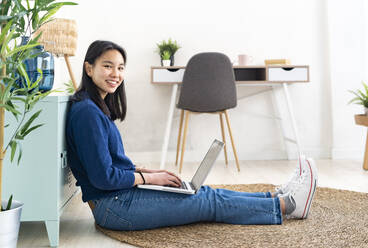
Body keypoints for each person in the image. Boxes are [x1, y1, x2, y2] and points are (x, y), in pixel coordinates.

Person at [66, 40, 318, 231]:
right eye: (107, 66)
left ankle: (275, 196)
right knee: (208, 203)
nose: (116, 74)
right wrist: (148, 178)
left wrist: (153, 175)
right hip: (114, 207)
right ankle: (288, 206)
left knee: (203, 192)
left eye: (120, 68)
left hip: (120, 198)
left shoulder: (95, 107)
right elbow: (103, 178)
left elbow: (110, 165)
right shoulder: (87, 113)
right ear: (89, 68)